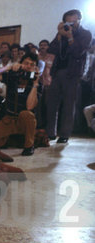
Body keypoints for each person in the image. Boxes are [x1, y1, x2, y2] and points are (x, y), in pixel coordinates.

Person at [46, 9, 92, 143]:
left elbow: (78, 51)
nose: (71, 22)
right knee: (52, 103)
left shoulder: (85, 34)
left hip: (72, 73)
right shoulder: (61, 33)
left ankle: (65, 134)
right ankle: (50, 133)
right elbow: (52, 50)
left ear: (79, 19)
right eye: (68, 19)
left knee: (68, 105)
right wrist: (60, 35)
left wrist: (70, 36)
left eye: (73, 19)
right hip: (57, 71)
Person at [0, 53, 40, 156]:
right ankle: (12, 140)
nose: (28, 66)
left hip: (24, 120)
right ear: (21, 64)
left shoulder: (37, 83)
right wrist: (8, 67)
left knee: (27, 114)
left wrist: (35, 85)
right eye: (26, 63)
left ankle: (29, 146)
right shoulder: (13, 76)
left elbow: (30, 106)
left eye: (32, 65)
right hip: (9, 118)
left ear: (35, 68)